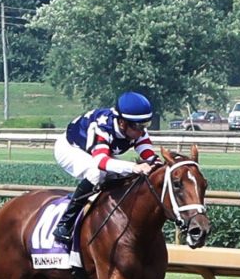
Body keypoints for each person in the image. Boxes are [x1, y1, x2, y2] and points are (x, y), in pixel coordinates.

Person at [52, 90, 163, 252]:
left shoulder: (134, 126)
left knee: (124, 174)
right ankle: (65, 224)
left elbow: (148, 153)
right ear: (122, 122)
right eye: (138, 126)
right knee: (97, 173)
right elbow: (101, 161)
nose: (141, 131)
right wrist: (134, 167)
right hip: (70, 148)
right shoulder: (103, 128)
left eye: (145, 125)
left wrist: (156, 163)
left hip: (97, 152)